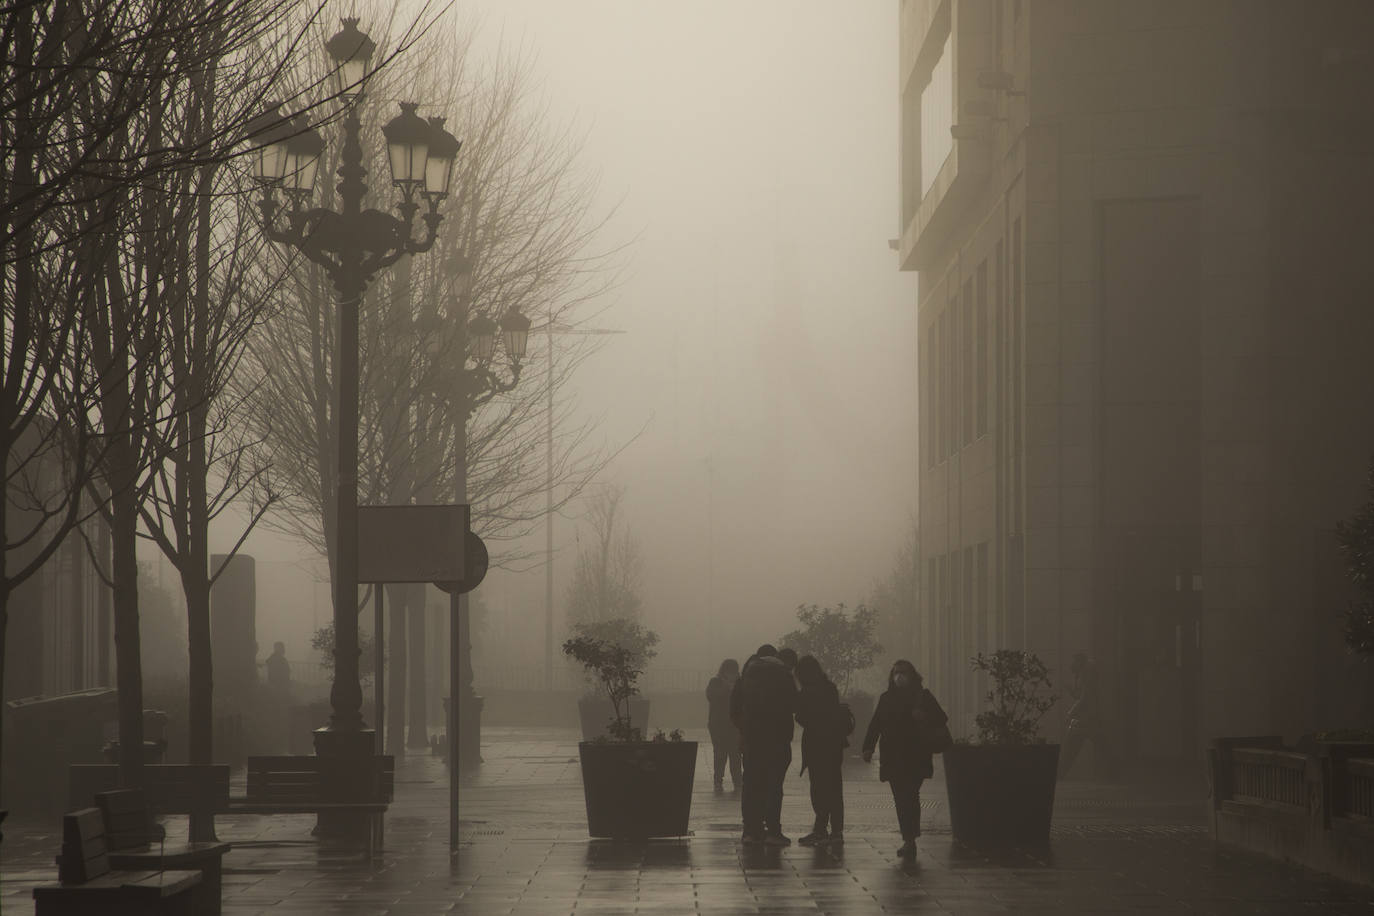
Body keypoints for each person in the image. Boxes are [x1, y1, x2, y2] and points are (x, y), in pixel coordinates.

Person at [861, 659, 947, 858]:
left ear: (912, 676)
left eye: (903, 673)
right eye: (896, 673)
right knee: (901, 798)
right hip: (892, 756)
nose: (899, 677)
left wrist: (923, 716)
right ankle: (909, 838)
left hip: (915, 755)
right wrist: (868, 747)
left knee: (909, 795)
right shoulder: (886, 698)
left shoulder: (922, 697)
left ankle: (910, 839)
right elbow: (876, 724)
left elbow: (941, 718)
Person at [730, 644, 798, 846]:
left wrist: (746, 729)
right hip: (778, 739)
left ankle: (751, 830)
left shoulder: (745, 677)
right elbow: (795, 704)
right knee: (774, 786)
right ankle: (773, 832)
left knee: (751, 785)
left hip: (753, 740)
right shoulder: (784, 675)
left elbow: (734, 710)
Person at [794, 654, 845, 846]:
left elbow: (801, 717)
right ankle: (836, 831)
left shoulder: (806, 693)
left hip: (815, 744)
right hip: (833, 744)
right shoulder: (830, 688)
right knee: (833, 787)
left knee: (818, 788)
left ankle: (821, 829)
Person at [1060, 652, 1112, 779]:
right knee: (1101, 745)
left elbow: (1084, 698)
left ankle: (1059, 775)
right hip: (1088, 718)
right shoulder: (1082, 675)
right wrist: (1071, 691)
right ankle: (1113, 772)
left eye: (1074, 662)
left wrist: (1070, 712)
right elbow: (1081, 696)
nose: (1071, 665)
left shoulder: (1085, 675)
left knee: (1070, 748)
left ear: (1079, 663)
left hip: (1085, 718)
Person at [706, 658, 742, 792]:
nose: (732, 674)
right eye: (729, 671)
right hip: (718, 724)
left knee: (735, 754)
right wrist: (726, 688)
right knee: (720, 753)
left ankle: (738, 781)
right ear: (724, 671)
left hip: (735, 724)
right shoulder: (715, 682)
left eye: (734, 671)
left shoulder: (740, 683)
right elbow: (711, 697)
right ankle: (718, 780)